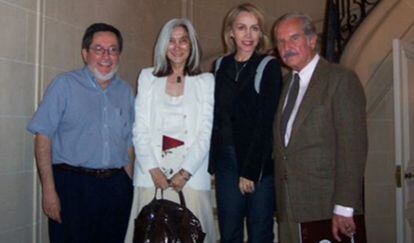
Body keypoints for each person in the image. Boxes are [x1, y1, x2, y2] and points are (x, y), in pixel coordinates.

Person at [26, 23, 134, 243]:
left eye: (113, 49)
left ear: (119, 55)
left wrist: (131, 189)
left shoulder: (126, 91)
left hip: (116, 188)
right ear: (85, 54)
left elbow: (128, 145)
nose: (106, 55)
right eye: (98, 49)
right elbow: (43, 138)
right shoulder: (64, 85)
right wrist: (49, 190)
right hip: (73, 187)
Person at [272, 12, 368, 242]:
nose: (287, 47)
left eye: (294, 38)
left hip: (327, 207)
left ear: (312, 40)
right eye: (281, 41)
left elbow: (352, 147)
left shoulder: (340, 79)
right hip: (289, 207)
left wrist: (345, 206)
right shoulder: (284, 85)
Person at [124, 18, 216, 243]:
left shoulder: (206, 81)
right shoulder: (148, 77)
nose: (177, 47)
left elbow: (207, 131)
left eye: (183, 41)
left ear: (191, 45)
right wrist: (153, 170)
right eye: (171, 41)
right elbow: (140, 128)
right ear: (162, 46)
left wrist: (185, 173)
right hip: (151, 176)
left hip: (191, 178)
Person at [209, 3, 283, 242]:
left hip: (258, 162)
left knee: (260, 233)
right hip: (226, 161)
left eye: (254, 28)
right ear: (231, 31)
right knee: (229, 233)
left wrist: (250, 171)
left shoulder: (268, 66)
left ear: (261, 33)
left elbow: (266, 122)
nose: (248, 35)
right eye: (242, 28)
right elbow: (215, 115)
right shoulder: (220, 65)